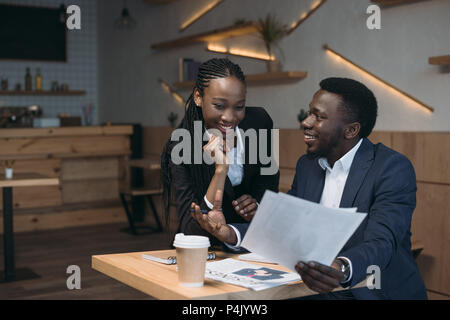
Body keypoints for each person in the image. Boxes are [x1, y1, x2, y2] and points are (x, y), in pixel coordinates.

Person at [192, 77, 427, 299]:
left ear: (351, 130)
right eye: (309, 112)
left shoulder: (391, 168)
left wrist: (340, 268)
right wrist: (231, 233)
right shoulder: (308, 166)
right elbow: (285, 227)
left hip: (369, 290)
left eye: (319, 116)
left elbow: (382, 242)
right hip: (312, 289)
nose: (305, 122)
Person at [161, 58, 279, 248]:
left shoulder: (259, 122)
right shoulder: (181, 147)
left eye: (239, 107)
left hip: (251, 243)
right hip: (205, 250)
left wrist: (257, 206)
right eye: (219, 106)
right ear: (198, 97)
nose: (230, 117)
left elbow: (269, 185)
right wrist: (221, 170)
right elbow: (191, 229)